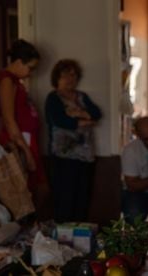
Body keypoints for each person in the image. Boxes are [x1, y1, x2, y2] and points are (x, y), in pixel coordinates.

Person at [0, 39, 49, 219]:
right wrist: (26, 152)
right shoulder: (6, 80)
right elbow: (9, 120)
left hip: (29, 139)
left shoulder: (16, 81)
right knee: (29, 188)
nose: (30, 73)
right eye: (30, 68)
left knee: (38, 188)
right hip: (21, 141)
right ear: (19, 62)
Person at [45, 59, 102, 223]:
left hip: (86, 157)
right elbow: (60, 120)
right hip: (63, 157)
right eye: (65, 75)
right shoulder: (53, 98)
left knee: (82, 200)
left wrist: (79, 114)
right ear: (57, 78)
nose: (70, 79)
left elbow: (96, 114)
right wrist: (84, 119)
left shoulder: (82, 96)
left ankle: (79, 241)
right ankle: (63, 242)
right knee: (65, 200)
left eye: (73, 75)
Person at [121, 117, 148, 225]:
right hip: (138, 193)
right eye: (147, 139)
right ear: (138, 136)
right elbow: (132, 185)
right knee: (133, 213)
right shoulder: (131, 150)